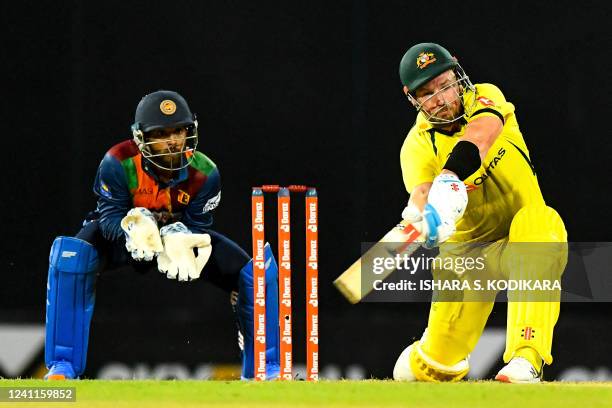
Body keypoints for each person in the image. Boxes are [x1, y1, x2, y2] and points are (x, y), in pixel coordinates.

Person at [44, 90, 280, 380]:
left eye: (179, 131)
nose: (173, 140)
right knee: (72, 258)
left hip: (177, 245)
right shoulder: (118, 162)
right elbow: (108, 218)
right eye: (162, 133)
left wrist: (181, 235)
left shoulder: (205, 173)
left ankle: (265, 369)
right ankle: (62, 366)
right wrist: (131, 227)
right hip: (124, 240)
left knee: (255, 274)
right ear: (142, 138)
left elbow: (199, 226)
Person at [391, 43, 567, 383]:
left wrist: (450, 177)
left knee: (540, 222)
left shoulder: (486, 97)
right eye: (428, 94)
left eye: (444, 85)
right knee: (428, 371)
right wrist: (421, 213)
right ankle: (423, 355)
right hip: (467, 258)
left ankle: (525, 360)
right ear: (412, 97)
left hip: (521, 240)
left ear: (457, 75)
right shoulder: (415, 147)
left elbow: (482, 134)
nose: (441, 100)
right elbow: (421, 192)